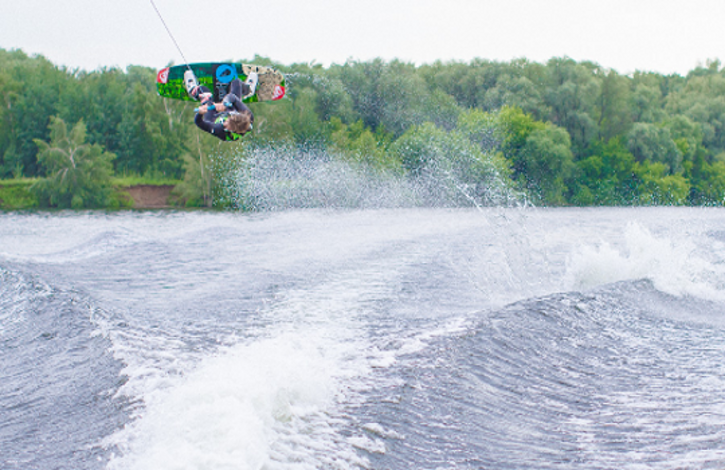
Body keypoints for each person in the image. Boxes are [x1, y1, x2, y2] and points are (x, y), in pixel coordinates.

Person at [184, 70, 258, 141]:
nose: (224, 123)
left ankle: (192, 90)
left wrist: (200, 113)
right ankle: (248, 90)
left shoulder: (219, 129)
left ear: (231, 131)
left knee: (203, 92)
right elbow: (232, 97)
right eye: (227, 121)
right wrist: (224, 104)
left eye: (226, 125)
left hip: (213, 118)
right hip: (229, 110)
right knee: (237, 82)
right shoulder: (248, 116)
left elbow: (199, 122)